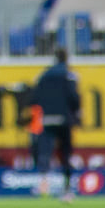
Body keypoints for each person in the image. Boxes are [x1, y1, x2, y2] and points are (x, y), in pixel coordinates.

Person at [31, 49, 81, 199]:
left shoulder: (43, 76)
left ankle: (43, 184)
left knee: (45, 150)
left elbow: (35, 97)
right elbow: (74, 98)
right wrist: (75, 113)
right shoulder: (69, 75)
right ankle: (67, 188)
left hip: (47, 118)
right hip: (64, 118)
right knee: (65, 152)